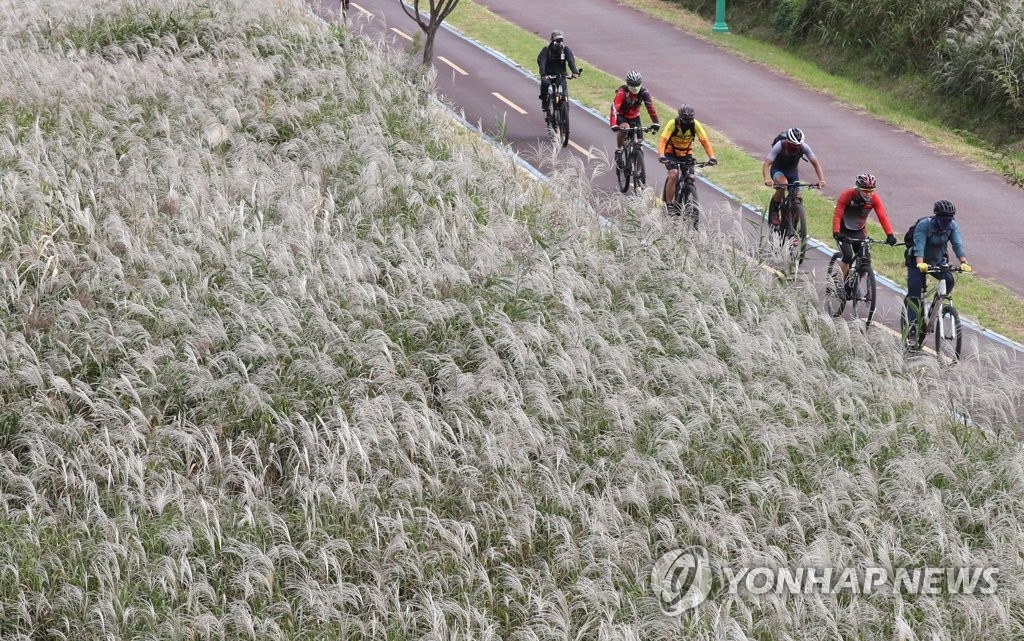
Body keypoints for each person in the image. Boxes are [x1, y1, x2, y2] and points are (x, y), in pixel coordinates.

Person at [904, 199, 972, 344]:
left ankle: (935, 307)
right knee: (915, 291)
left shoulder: (952, 226)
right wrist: (920, 263)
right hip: (917, 261)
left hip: (937, 261)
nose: (947, 222)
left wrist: (963, 262)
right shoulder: (924, 225)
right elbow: (919, 245)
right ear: (936, 216)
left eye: (949, 219)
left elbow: (957, 244)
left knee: (949, 280)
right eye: (944, 219)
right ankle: (913, 327)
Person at [831, 173, 897, 288]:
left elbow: (882, 216)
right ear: (858, 188)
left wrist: (890, 234)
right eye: (865, 191)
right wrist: (836, 232)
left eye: (871, 190)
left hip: (859, 230)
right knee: (847, 256)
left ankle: (852, 280)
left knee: (865, 262)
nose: (869, 194)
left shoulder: (874, 199)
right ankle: (836, 283)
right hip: (843, 230)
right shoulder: (847, 195)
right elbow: (838, 214)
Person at [762, 127, 826, 226]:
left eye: (799, 145)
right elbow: (767, 163)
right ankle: (775, 210)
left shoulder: (804, 147)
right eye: (794, 145)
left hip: (792, 173)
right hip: (778, 170)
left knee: (798, 197)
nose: (797, 148)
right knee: (784, 184)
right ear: (788, 141)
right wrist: (767, 179)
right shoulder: (780, 145)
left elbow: (816, 164)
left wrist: (821, 180)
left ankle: (794, 227)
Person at [657, 104, 717, 211]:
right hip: (671, 153)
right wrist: (661, 155)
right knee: (674, 174)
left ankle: (687, 197)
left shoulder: (695, 124)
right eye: (685, 120)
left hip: (686, 154)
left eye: (690, 120)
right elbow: (663, 141)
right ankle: (669, 205)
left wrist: (711, 157)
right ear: (680, 117)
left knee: (690, 177)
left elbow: (705, 141)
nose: (688, 123)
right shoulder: (673, 124)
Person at [609, 71, 660, 168]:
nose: (635, 87)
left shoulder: (644, 93)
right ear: (627, 84)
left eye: (637, 84)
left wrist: (656, 122)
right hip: (622, 116)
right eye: (633, 85)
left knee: (639, 143)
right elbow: (614, 109)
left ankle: (639, 173)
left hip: (635, 117)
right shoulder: (622, 92)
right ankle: (619, 149)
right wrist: (614, 124)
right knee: (625, 127)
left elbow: (651, 108)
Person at [537, 31, 579, 122]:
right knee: (544, 84)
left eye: (561, 40)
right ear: (552, 40)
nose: (559, 42)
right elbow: (542, 62)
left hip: (561, 75)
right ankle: (545, 101)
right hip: (549, 75)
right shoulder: (546, 50)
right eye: (557, 40)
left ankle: (564, 120)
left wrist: (575, 72)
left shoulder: (565, 49)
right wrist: (543, 74)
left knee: (564, 95)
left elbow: (571, 61)